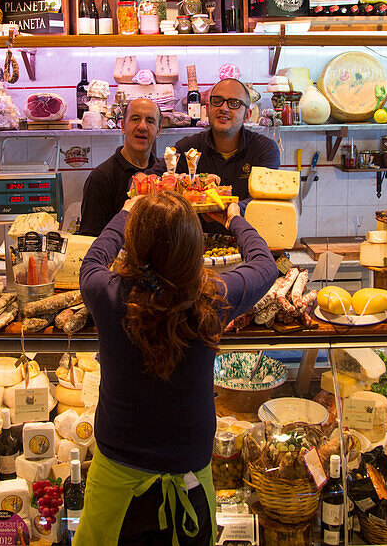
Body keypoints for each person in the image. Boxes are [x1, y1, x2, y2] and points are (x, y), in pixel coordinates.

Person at [77, 193, 277, 545]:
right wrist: (233, 219)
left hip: (115, 482)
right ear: (194, 249)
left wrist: (124, 213)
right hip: (192, 481)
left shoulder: (106, 293)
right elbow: (264, 264)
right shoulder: (214, 298)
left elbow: (93, 259)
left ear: (133, 244)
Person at [159, 78, 280, 202]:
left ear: (247, 115)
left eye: (234, 103)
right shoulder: (188, 148)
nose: (224, 108)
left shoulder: (264, 149)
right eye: (217, 101)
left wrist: (232, 211)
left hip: (244, 221)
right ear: (207, 109)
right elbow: (156, 176)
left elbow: (263, 200)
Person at [78, 98, 162, 236]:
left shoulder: (164, 175)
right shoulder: (101, 178)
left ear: (158, 130)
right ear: (123, 126)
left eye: (150, 121)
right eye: (135, 119)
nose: (142, 127)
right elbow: (89, 239)